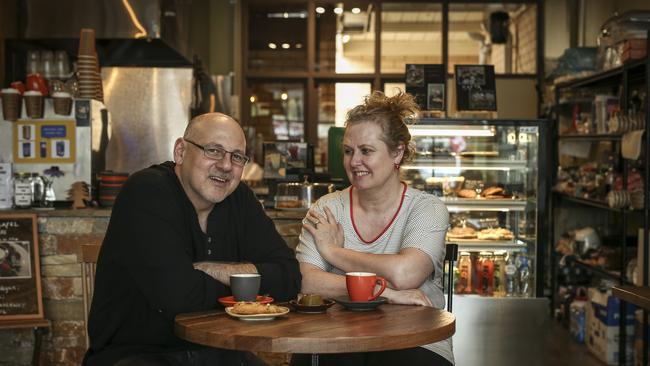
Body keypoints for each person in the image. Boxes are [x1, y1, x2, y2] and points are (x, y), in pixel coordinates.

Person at [84, 113, 302, 366]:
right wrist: (251, 291)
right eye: (214, 151)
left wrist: (215, 271)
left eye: (237, 157)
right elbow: (179, 299)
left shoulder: (240, 199)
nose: (226, 166)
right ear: (181, 151)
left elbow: (289, 277)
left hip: (219, 353)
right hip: (138, 354)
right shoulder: (146, 192)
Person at [293, 91, 453, 366]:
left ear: (397, 153)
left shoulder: (426, 208)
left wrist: (332, 252)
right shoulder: (328, 208)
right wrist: (389, 294)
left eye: (366, 151)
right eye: (348, 151)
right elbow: (307, 283)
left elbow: (406, 274)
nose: (354, 162)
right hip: (336, 336)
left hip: (415, 339)